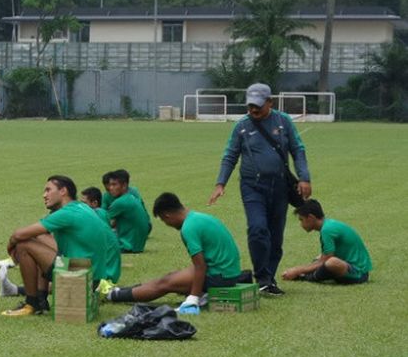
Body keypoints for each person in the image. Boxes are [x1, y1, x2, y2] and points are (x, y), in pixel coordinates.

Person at [208, 83, 311, 296]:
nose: (253, 110)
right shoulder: (242, 127)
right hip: (252, 186)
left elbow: (298, 150)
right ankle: (262, 276)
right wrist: (220, 183)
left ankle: (268, 279)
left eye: (258, 106)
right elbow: (230, 155)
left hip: (281, 186)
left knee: (275, 235)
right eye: (250, 106)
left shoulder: (283, 122)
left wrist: (304, 178)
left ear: (270, 103)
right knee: (257, 228)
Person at [2, 175, 121, 317]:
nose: (44, 195)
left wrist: (11, 248)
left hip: (80, 275)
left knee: (23, 245)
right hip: (93, 276)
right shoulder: (80, 206)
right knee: (38, 236)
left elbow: (18, 235)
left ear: (63, 191)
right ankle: (41, 300)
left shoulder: (67, 213)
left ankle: (32, 303)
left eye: (48, 190)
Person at [108, 193, 245, 314]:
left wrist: (193, 298)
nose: (167, 224)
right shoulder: (198, 217)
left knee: (165, 283)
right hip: (228, 271)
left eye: (164, 220)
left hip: (219, 276)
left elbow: (200, 266)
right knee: (171, 276)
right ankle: (119, 291)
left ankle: (112, 296)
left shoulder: (188, 228)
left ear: (167, 215)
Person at [281, 199, 372, 284]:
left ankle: (306, 277)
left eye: (301, 219)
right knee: (320, 258)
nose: (301, 224)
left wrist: (297, 270)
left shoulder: (327, 230)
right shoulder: (328, 224)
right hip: (350, 266)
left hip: (359, 274)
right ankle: (308, 274)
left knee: (331, 262)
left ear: (310, 217)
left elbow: (326, 260)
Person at [104, 170, 151, 253]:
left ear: (124, 185)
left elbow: (102, 223)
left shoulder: (120, 202)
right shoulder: (131, 197)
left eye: (114, 185)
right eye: (110, 184)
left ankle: (78, 264)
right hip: (138, 245)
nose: (110, 188)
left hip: (126, 245)